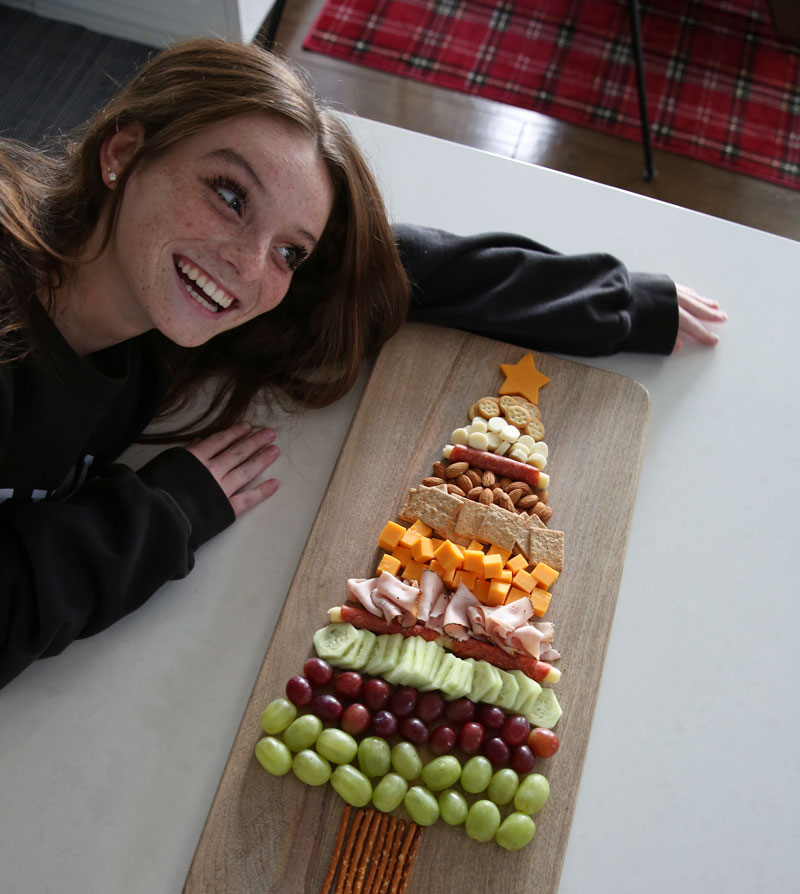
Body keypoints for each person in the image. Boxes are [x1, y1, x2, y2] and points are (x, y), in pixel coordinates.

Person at [0, 38, 725, 691]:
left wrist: (620, 302)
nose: (251, 267)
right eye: (228, 195)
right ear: (123, 153)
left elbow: (388, 271)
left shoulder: (178, 293)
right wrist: (162, 515)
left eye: (291, 250)